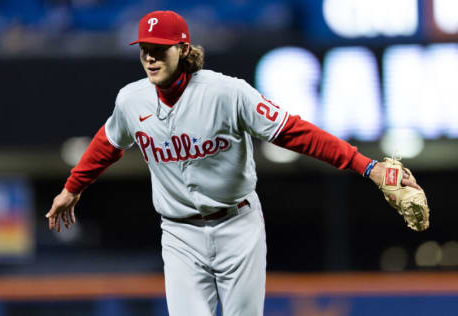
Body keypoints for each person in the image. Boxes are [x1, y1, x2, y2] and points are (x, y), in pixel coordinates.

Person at [46, 10, 422, 316]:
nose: (150, 56)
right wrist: (71, 188)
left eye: (159, 49)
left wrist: (367, 166)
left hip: (237, 226)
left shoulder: (227, 92)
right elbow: (107, 143)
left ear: (183, 49)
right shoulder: (132, 100)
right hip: (179, 234)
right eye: (145, 48)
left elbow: (294, 132)